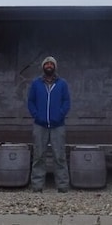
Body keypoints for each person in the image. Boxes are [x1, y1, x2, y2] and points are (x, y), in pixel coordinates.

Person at [26, 55, 71, 192]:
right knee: (39, 156)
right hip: (40, 125)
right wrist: (37, 115)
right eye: (47, 64)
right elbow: (30, 102)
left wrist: (59, 115)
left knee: (59, 156)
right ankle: (37, 187)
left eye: (52, 64)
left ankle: (62, 187)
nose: (49, 66)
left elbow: (67, 102)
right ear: (43, 67)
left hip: (58, 125)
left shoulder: (62, 84)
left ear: (55, 67)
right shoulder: (36, 83)